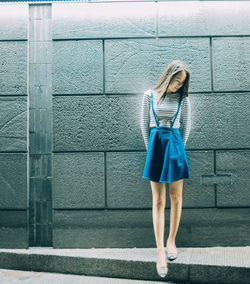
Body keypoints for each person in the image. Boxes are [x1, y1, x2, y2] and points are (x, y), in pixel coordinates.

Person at [140, 60, 191, 277]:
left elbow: (186, 127)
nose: (179, 85)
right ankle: (160, 250)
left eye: (182, 83)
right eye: (177, 81)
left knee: (176, 197)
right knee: (158, 201)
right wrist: (152, 151)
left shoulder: (183, 99)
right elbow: (144, 126)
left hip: (175, 145)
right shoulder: (148, 95)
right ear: (168, 76)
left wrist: (178, 151)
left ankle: (171, 241)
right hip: (156, 146)